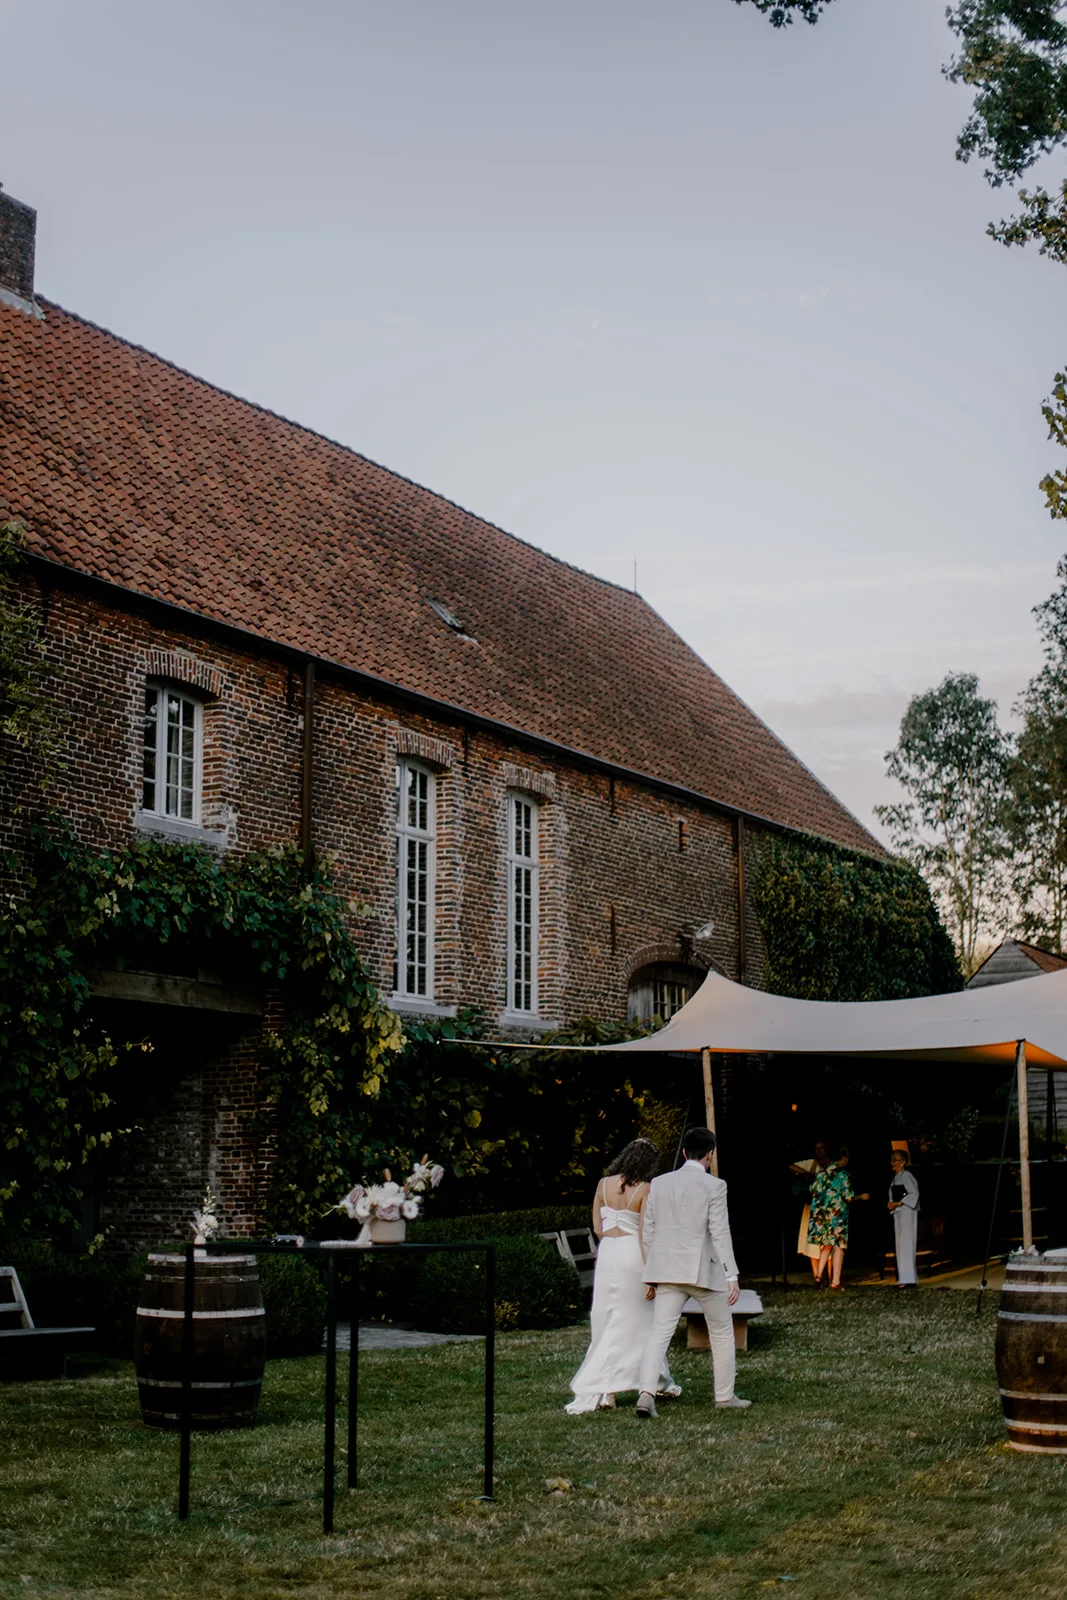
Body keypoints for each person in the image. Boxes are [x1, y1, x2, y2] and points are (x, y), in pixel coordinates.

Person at [634, 1125, 750, 1420]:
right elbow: (720, 1232)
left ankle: (646, 1393)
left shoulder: (659, 1184)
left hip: (666, 1271)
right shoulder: (715, 1186)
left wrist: (651, 1273)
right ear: (710, 1154)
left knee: (659, 1333)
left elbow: (648, 1231)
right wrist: (731, 1275)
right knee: (721, 1333)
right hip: (703, 1272)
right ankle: (724, 1396)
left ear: (685, 1152)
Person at [564, 1137, 681, 1414]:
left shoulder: (602, 1185)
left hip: (608, 1254)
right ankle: (649, 1381)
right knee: (641, 1322)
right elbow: (644, 1235)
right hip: (633, 1256)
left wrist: (611, 1242)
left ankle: (609, 1391)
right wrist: (651, 1275)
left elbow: (597, 1227)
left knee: (607, 1318)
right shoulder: (644, 1189)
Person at [808, 1145, 868, 1291]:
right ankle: (835, 1281)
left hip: (822, 1215)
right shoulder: (842, 1174)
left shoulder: (822, 1172)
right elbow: (848, 1196)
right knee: (839, 1246)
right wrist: (861, 1197)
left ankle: (818, 1277)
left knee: (826, 1245)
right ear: (844, 1158)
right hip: (837, 1215)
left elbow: (812, 1189)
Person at [789, 1139, 830, 1282]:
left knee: (828, 1242)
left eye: (821, 1148)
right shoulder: (812, 1164)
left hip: (827, 1207)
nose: (819, 1151)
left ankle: (830, 1277)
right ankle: (817, 1277)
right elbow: (791, 1166)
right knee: (813, 1245)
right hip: (812, 1206)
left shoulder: (831, 1165)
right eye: (817, 1149)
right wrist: (805, 1173)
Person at [887, 1149, 919, 1287]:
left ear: (903, 1162)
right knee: (900, 1244)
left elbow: (913, 1194)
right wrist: (891, 1203)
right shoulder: (896, 1178)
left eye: (895, 1160)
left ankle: (909, 1279)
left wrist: (900, 1203)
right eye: (892, 1160)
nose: (892, 1163)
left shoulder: (907, 1176)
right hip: (898, 1212)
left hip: (907, 1211)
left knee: (907, 1242)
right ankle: (905, 1278)